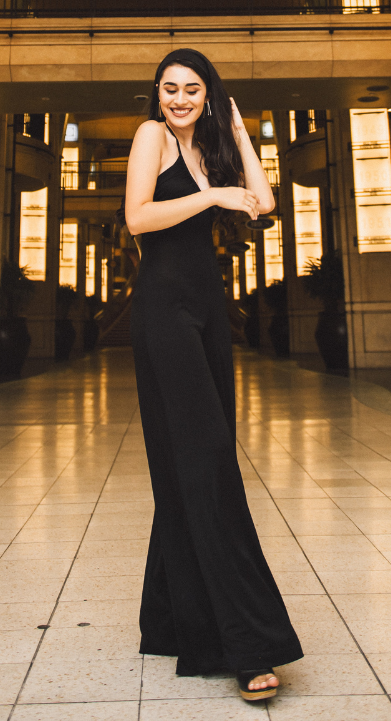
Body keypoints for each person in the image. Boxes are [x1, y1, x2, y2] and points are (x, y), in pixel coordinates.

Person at [126, 48, 303, 702]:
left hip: (206, 310)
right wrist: (209, 197)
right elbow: (138, 216)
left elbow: (263, 201)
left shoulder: (214, 143)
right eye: (169, 88)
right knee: (207, 468)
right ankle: (247, 643)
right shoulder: (150, 137)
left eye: (192, 89)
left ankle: (172, 618)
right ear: (158, 94)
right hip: (164, 312)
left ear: (208, 95)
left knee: (193, 463)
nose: (177, 98)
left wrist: (239, 132)